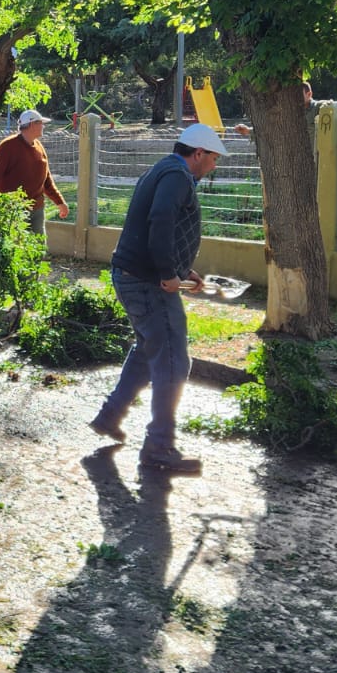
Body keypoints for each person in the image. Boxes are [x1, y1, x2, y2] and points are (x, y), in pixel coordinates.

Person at [88, 121, 227, 476]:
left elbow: (163, 226)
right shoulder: (177, 176)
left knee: (147, 350)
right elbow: (161, 219)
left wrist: (183, 270)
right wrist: (168, 273)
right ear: (198, 153)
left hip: (131, 275)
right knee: (174, 361)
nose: (214, 166)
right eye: (213, 158)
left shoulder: (162, 169)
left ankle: (109, 417)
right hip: (147, 281)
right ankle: (159, 448)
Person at [0, 109, 71, 236]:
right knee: (16, 244)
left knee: (38, 244)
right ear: (32, 124)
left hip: (37, 209)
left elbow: (46, 180)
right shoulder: (7, 146)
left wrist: (60, 202)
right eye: (40, 123)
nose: (43, 126)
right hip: (14, 210)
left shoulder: (39, 146)